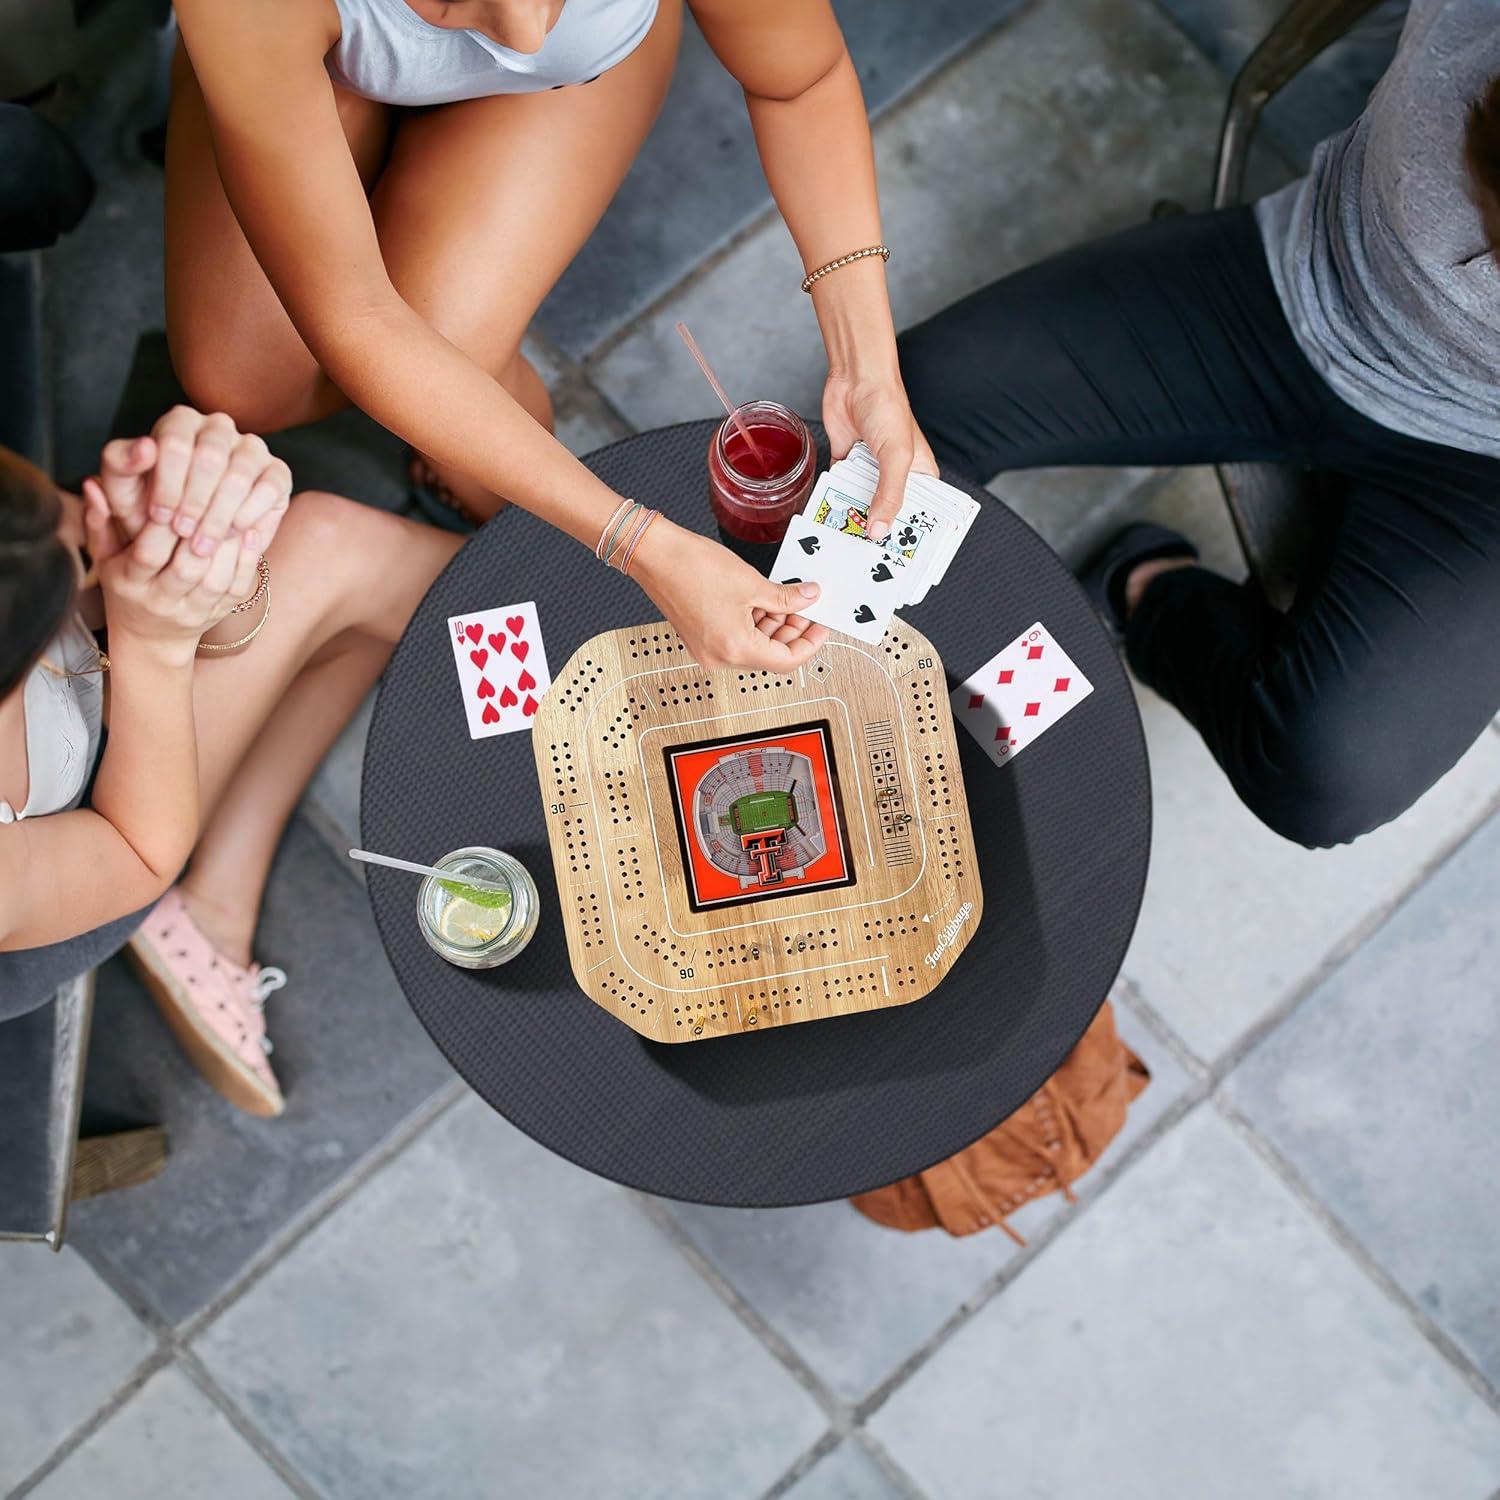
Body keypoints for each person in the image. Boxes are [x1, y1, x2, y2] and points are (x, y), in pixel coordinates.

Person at [162, 0, 935, 672]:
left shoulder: (542, 38)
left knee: (449, 351)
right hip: (312, 51)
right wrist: (642, 548)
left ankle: (464, 437)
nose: (526, 29)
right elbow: (355, 315)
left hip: (575, 81)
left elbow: (800, 81)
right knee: (243, 382)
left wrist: (868, 371)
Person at [897, 0, 1500, 850]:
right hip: (1302, 278)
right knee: (913, 405)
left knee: (1325, 781)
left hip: (1482, 472)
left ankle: (1151, 592)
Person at [0, 407, 462, 1116]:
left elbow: (71, 566)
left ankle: (214, 909)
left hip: (91, 712)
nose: (75, 525)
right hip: (95, 861)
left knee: (340, 616)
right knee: (336, 548)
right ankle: (607, 625)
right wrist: (155, 638)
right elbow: (135, 849)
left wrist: (145, 533)